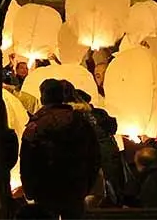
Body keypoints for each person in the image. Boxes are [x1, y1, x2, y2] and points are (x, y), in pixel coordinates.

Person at [20, 79, 101, 218]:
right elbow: (94, 155)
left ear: (43, 98)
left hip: (46, 189)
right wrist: (87, 183)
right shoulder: (80, 122)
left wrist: (29, 189)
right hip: (75, 186)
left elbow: (27, 160)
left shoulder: (36, 126)